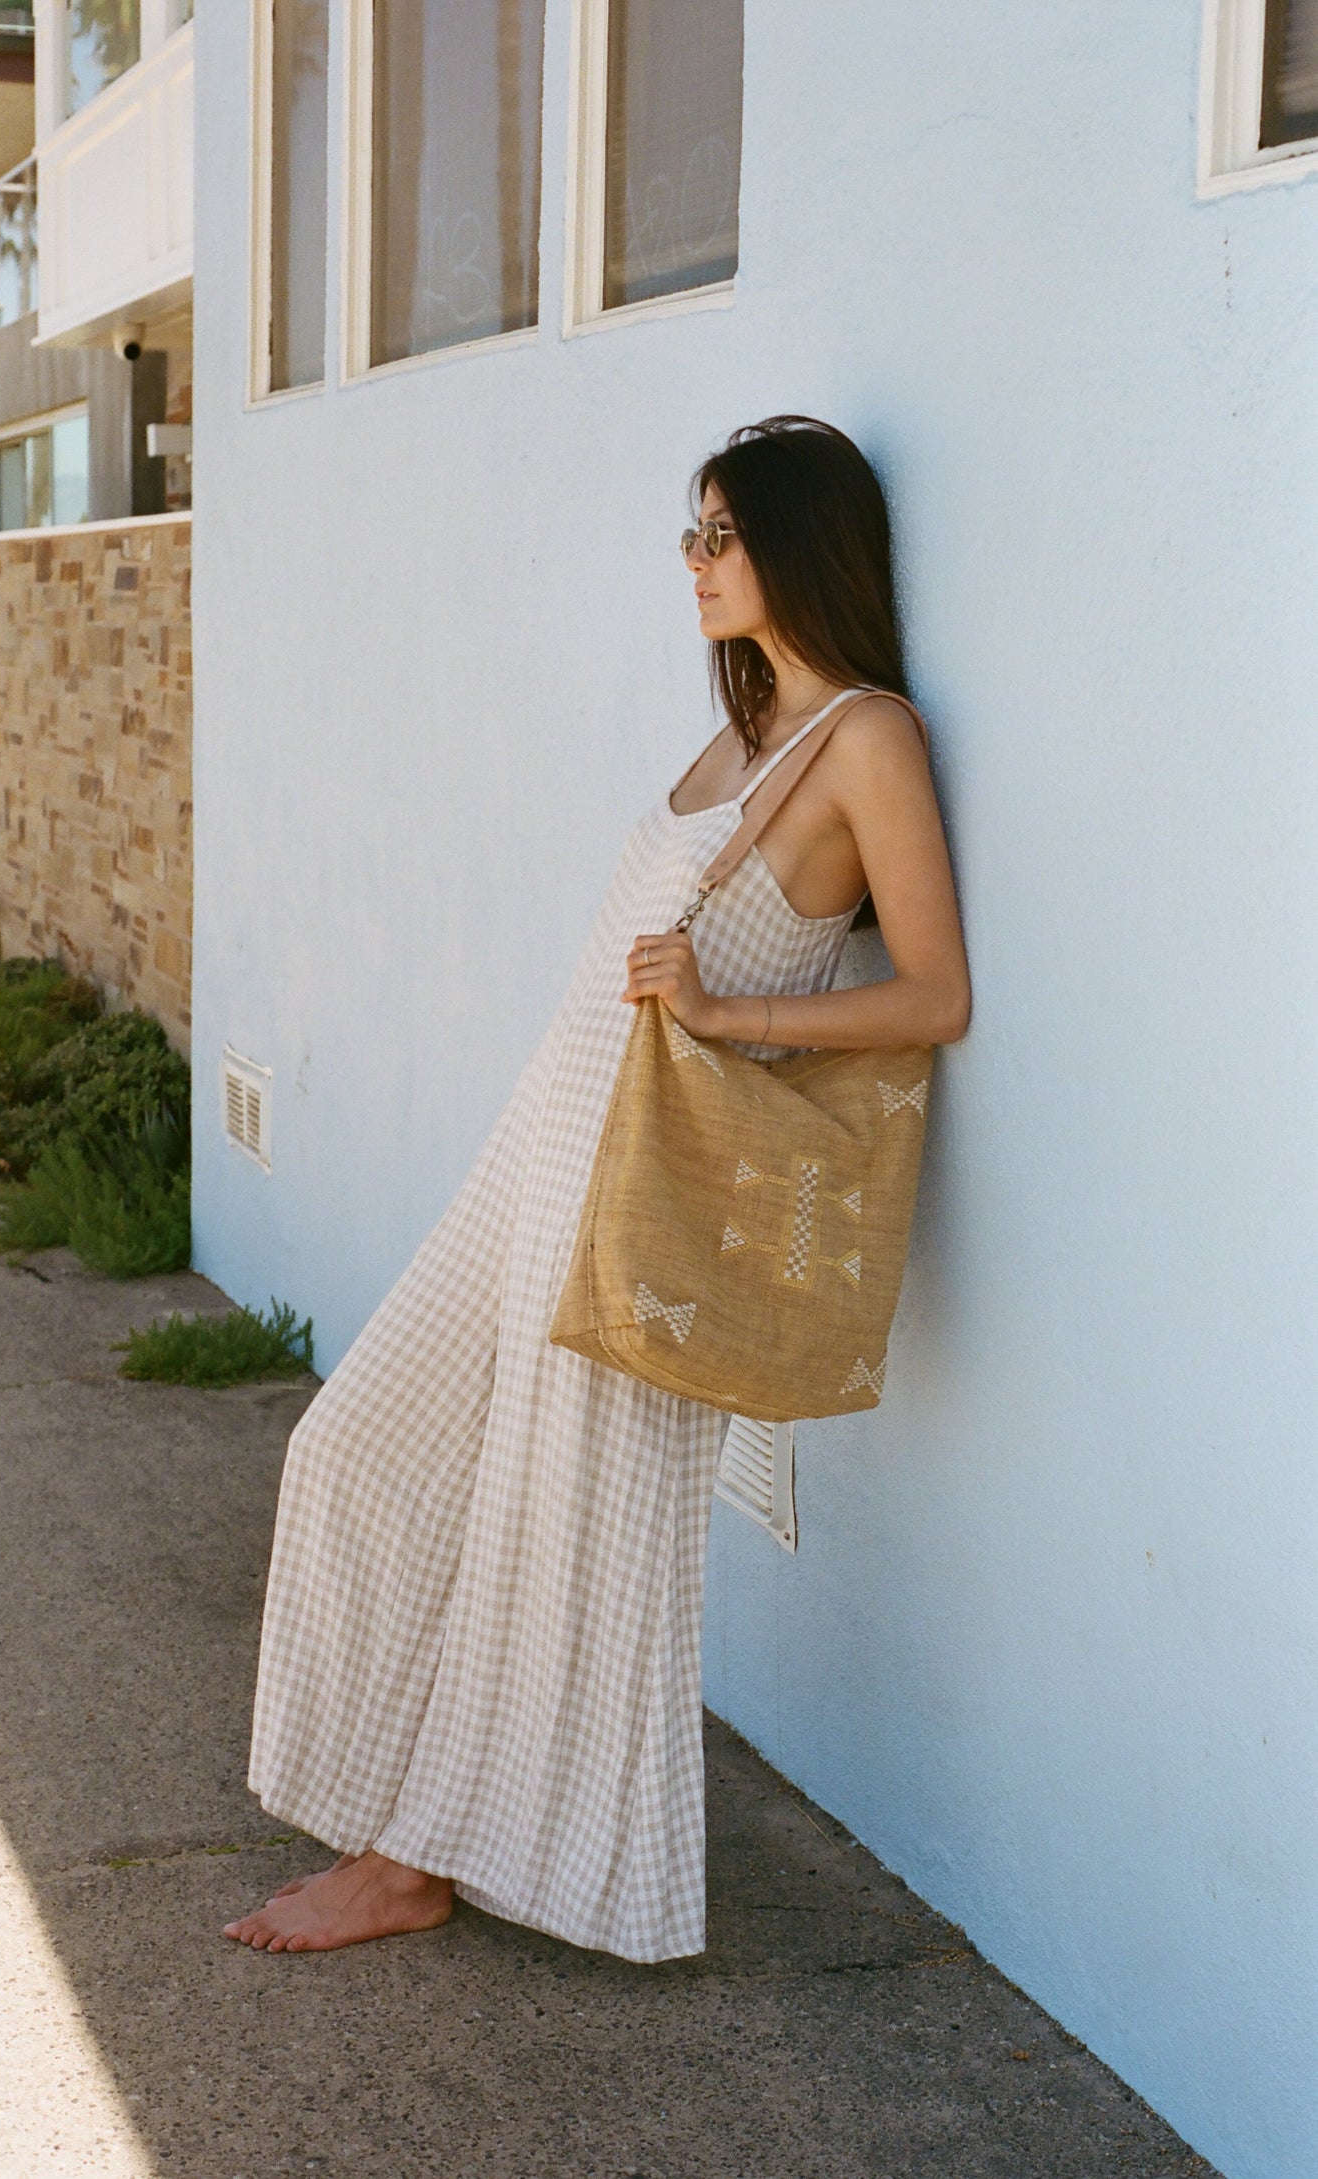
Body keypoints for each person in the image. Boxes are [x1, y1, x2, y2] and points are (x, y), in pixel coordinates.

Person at [223, 415, 971, 1962]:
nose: (691, 563)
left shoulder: (868, 740)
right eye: (688, 534)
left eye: (720, 535)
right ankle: (406, 1817)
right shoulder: (750, 726)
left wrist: (730, 1013)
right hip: (541, 1157)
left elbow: (933, 995)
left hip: (651, 1199)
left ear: (800, 544)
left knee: (563, 1544)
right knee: (358, 1453)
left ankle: (413, 1858)